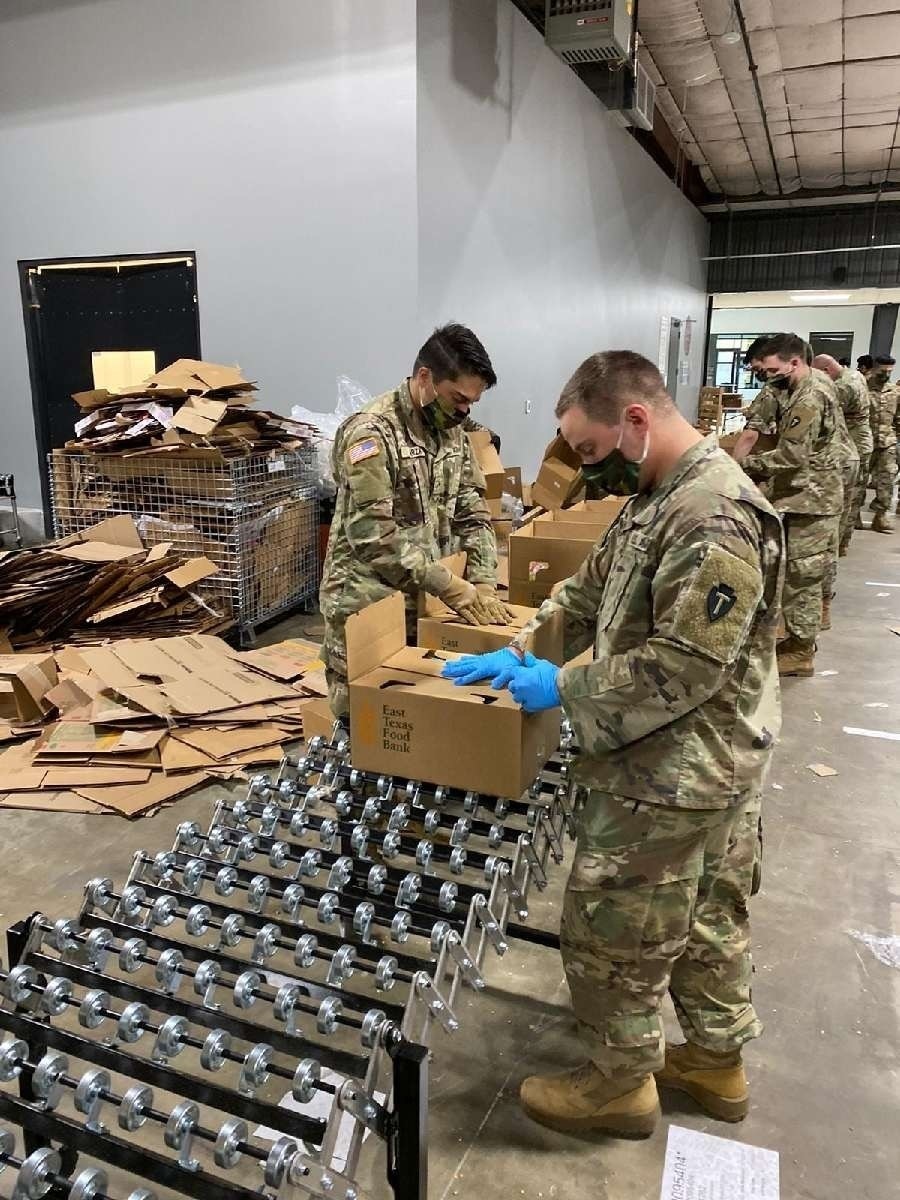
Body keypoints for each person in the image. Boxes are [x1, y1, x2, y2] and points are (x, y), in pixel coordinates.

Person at [443, 350, 783, 1138]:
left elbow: (684, 666)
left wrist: (563, 690)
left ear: (634, 419)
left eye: (590, 449)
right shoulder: (656, 495)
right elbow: (594, 587)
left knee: (612, 927)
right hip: (699, 760)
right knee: (703, 920)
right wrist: (530, 641)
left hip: (678, 768)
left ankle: (620, 1084)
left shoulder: (714, 514)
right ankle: (715, 1061)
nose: (585, 466)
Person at [319, 323, 512, 718]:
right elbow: (374, 538)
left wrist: (483, 580)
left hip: (423, 603)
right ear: (425, 377)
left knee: (415, 728)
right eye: (458, 398)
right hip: (366, 605)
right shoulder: (372, 435)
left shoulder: (451, 432)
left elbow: (471, 511)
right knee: (363, 726)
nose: (463, 411)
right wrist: (452, 587)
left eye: (471, 404)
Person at [732, 334, 843, 676]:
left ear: (794, 362)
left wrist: (741, 466)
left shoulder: (808, 397)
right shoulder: (806, 383)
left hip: (812, 499)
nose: (767, 375)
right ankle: (795, 639)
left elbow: (792, 455)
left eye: (771, 369)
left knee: (802, 577)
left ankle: (800, 651)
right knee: (797, 573)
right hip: (805, 494)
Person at [812, 353, 872, 552]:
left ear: (826, 370)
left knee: (844, 497)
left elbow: (824, 412)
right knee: (853, 495)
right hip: (860, 442)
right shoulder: (855, 375)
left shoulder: (843, 387)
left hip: (850, 444)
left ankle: (838, 543)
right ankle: (844, 541)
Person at [867, 355, 899, 533]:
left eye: (889, 371)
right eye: (882, 371)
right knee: (858, 482)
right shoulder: (862, 389)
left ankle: (881, 517)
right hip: (864, 443)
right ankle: (852, 517)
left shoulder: (894, 392)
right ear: (874, 368)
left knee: (887, 479)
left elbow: (898, 419)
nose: (886, 374)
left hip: (887, 442)